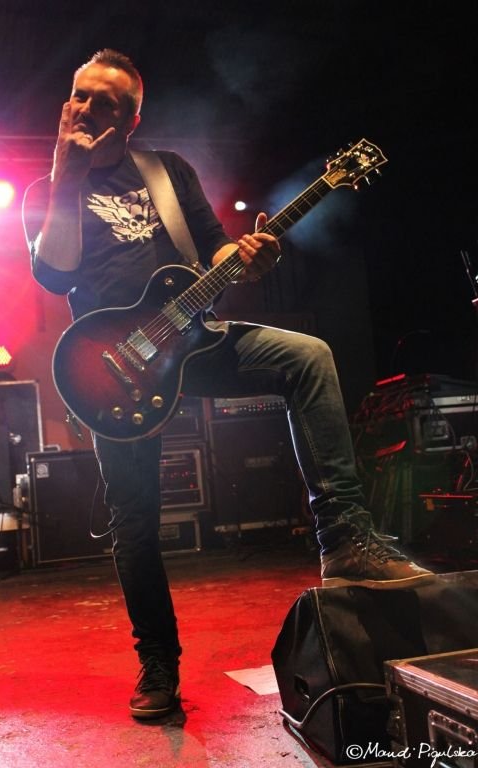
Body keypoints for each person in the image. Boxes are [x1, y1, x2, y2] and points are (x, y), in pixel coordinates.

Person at [23, 49, 433, 720]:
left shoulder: (166, 172)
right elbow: (55, 275)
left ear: (131, 119)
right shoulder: (47, 191)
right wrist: (67, 170)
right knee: (135, 521)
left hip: (194, 339)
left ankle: (345, 540)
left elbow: (213, 248)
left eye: (104, 102)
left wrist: (246, 256)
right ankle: (159, 663)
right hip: (112, 371)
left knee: (308, 356)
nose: (85, 109)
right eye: (79, 95)